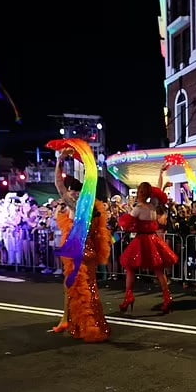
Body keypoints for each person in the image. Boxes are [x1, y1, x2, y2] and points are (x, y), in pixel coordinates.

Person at [50, 147, 111, 343]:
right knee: (87, 287)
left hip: (77, 250)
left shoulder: (75, 205)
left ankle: (85, 326)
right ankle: (73, 321)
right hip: (90, 249)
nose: (71, 194)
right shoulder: (92, 205)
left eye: (73, 191)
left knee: (77, 288)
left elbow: (58, 184)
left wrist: (60, 162)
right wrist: (88, 164)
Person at [118, 171, 178, 314]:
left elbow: (126, 225)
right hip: (153, 239)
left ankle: (128, 296)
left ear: (140, 193)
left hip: (141, 241)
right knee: (159, 270)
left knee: (131, 268)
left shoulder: (138, 209)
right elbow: (158, 192)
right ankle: (167, 297)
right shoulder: (153, 206)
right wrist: (162, 177)